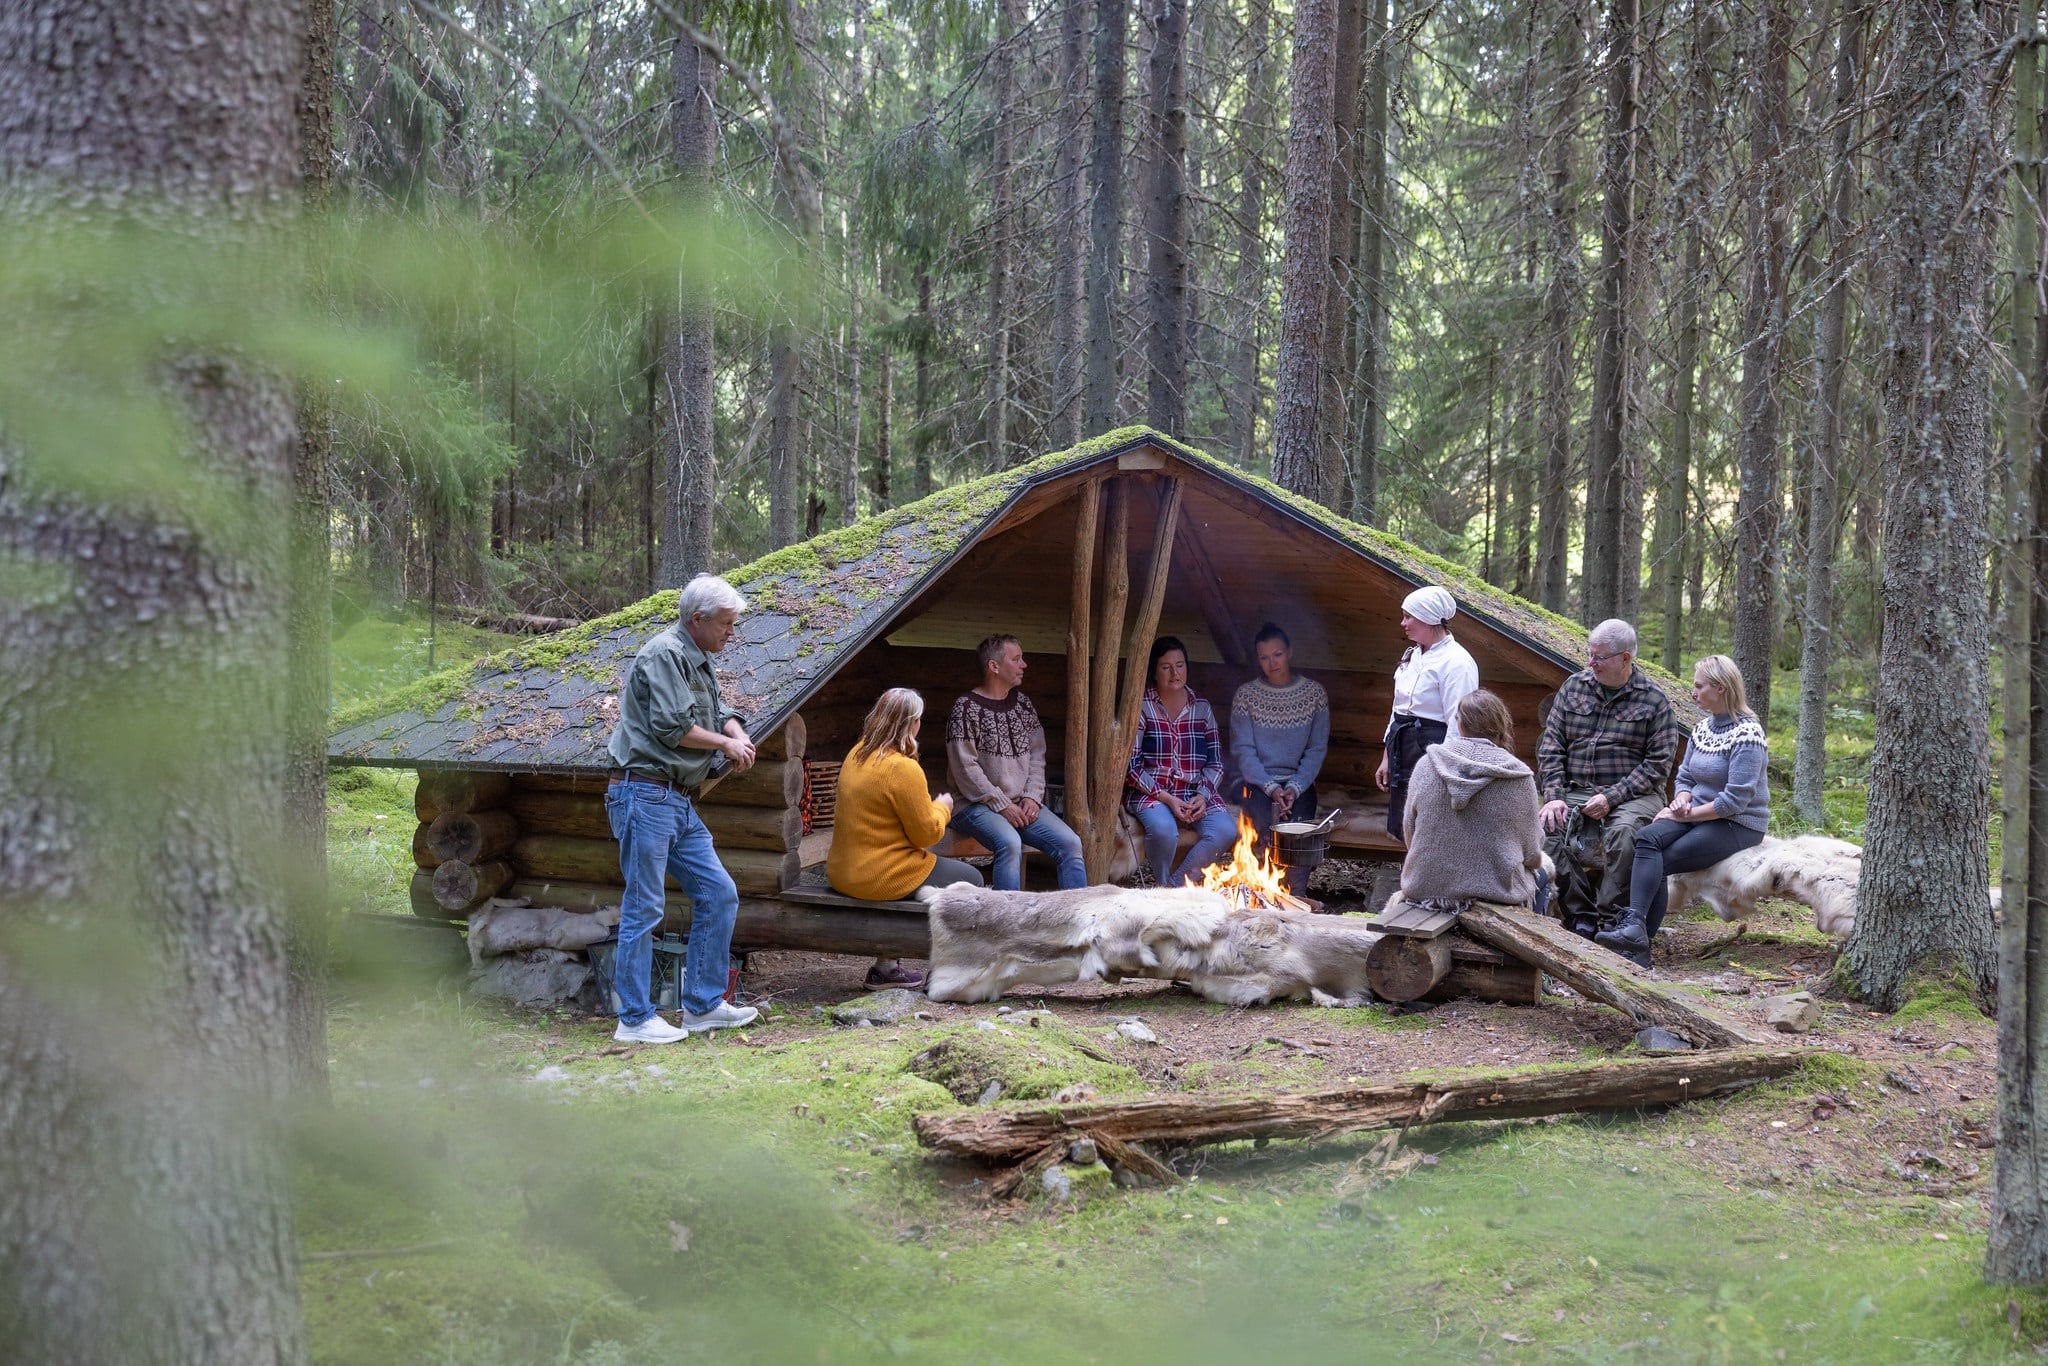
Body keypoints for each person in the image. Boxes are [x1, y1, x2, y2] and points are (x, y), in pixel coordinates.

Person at [604, 574, 762, 1042]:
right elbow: (676, 727)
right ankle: (633, 1019)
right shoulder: (662, 654)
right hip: (644, 793)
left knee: (719, 893)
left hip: (676, 800)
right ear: (698, 619)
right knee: (644, 908)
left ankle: (703, 1005)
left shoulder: (697, 658)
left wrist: (734, 728)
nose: (731, 633)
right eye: (726, 625)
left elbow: (715, 709)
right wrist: (727, 746)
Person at [1595, 654, 1770, 967]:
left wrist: (1683, 814)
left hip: (1737, 824)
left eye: (1699, 686)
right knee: (1647, 837)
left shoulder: (1748, 734)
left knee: (1663, 859)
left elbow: (1734, 801)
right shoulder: (1703, 729)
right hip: (1699, 815)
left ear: (1721, 688)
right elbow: (1686, 775)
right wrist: (1683, 798)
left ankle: (1637, 946)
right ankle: (1635, 927)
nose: (1694, 692)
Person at [828, 687, 984, 988]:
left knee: (932, 877)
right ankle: (948, 973)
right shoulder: (903, 768)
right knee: (971, 882)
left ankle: (886, 968)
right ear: (911, 723)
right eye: (919, 720)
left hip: (843, 872)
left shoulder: (856, 754)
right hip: (879, 875)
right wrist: (943, 807)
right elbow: (926, 833)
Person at [1536, 618, 1681, 940]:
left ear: (1625, 658)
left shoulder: (1654, 700)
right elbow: (1551, 746)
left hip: (1634, 794)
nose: (1591, 663)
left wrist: (1612, 798)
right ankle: (1580, 915)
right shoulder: (1574, 686)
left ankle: (1613, 919)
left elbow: (1658, 765)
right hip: (1574, 789)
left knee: (1625, 834)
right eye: (1589, 654)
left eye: (1598, 657)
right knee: (1544, 829)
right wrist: (1555, 795)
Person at [946, 635, 1088, 891]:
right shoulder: (965, 708)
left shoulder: (1022, 705)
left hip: (1020, 804)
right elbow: (965, 769)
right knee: (1009, 843)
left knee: (1071, 843)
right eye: (1016, 659)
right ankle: (1008, 926)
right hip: (973, 804)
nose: (1024, 665)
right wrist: (1001, 804)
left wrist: (1033, 797)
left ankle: (1080, 920)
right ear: (994, 667)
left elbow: (1037, 754)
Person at [1397, 690, 1545, 910]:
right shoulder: (1519, 777)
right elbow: (1532, 854)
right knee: (1542, 880)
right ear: (1502, 726)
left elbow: (1410, 835)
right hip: (1497, 893)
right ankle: (1534, 939)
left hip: (1425, 889)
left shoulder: (1426, 765)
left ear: (1460, 725)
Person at [1125, 636, 1237, 886]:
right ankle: (1163, 883)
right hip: (1153, 792)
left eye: (1180, 665)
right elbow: (1131, 768)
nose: (1175, 673)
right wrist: (1166, 798)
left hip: (1194, 791)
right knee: (1164, 831)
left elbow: (1216, 763)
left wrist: (1203, 795)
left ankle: (1171, 890)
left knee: (1225, 830)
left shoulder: (1202, 708)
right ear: (1154, 672)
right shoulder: (1141, 707)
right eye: (1166, 667)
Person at [1375, 586, 1481, 840]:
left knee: (1430, 824)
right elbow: (1397, 709)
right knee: (1406, 824)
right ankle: (1409, 876)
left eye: (1408, 616)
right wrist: (1387, 756)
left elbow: (1459, 724)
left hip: (1432, 749)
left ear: (1428, 617)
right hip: (1404, 745)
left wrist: (1444, 772)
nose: (1403, 623)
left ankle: (1426, 879)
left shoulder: (1457, 662)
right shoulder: (1412, 655)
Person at [1228, 622, 1331, 840]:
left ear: (1289, 652)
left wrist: (1293, 788)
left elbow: (1316, 749)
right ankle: (1259, 873)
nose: (1272, 663)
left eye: (1277, 654)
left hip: (1299, 784)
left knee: (1299, 836)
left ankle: (1296, 875)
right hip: (1257, 783)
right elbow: (1243, 750)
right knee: (1265, 834)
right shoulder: (1246, 695)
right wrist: (1271, 788)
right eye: (1264, 657)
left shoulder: (1314, 694)